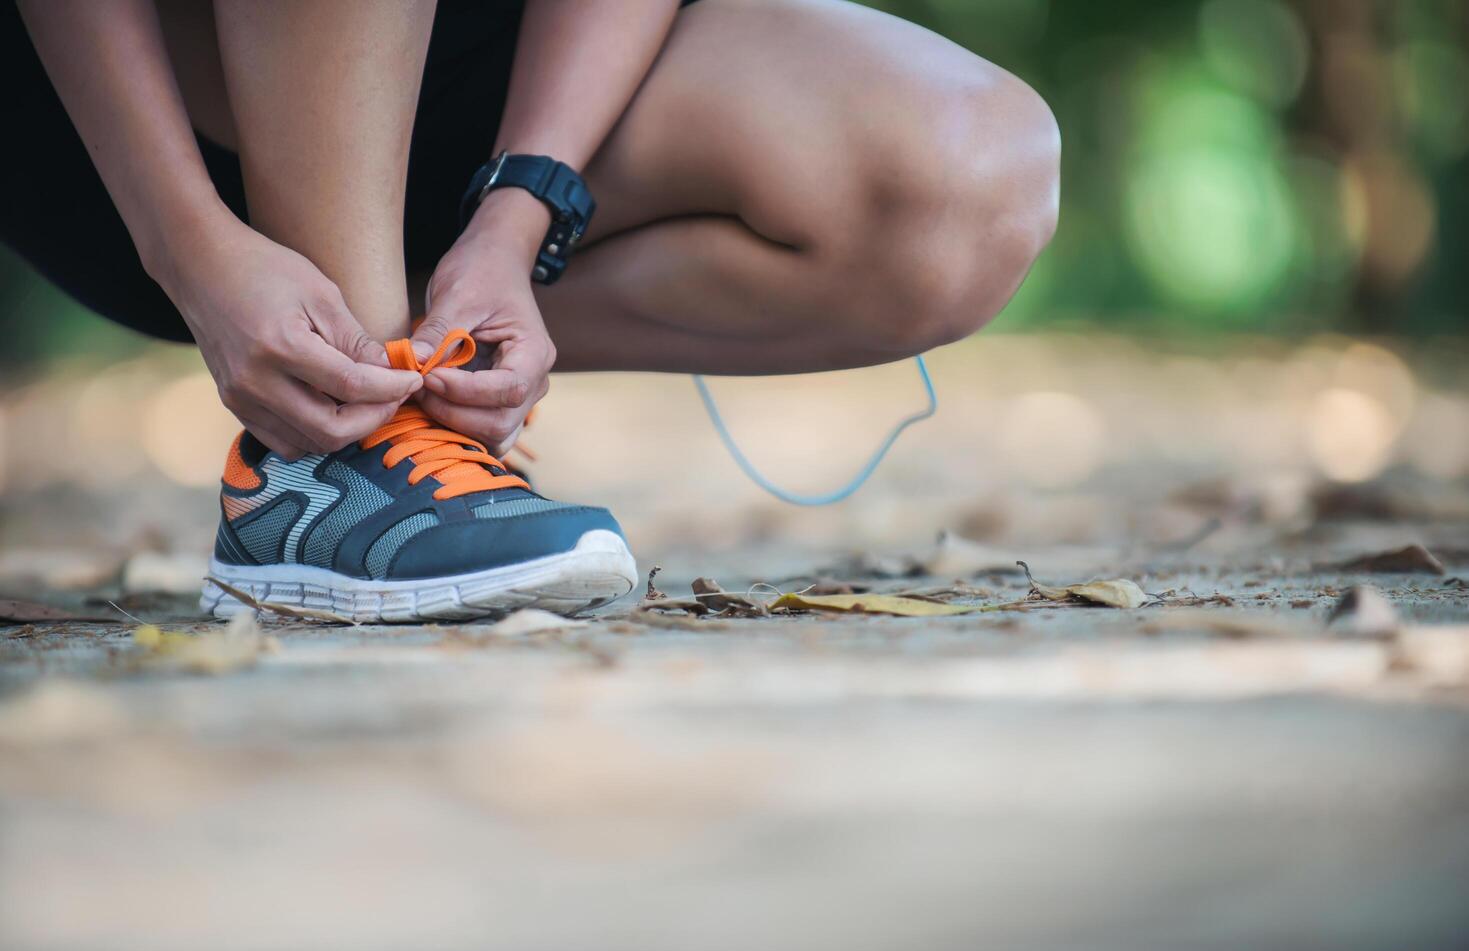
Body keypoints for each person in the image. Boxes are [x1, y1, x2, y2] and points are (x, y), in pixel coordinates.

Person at [5, 0, 1059, 622]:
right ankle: (331, 461)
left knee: (968, 183)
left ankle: (385, 374)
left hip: (513, 87)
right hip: (146, 124)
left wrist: (519, 216)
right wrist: (185, 242)